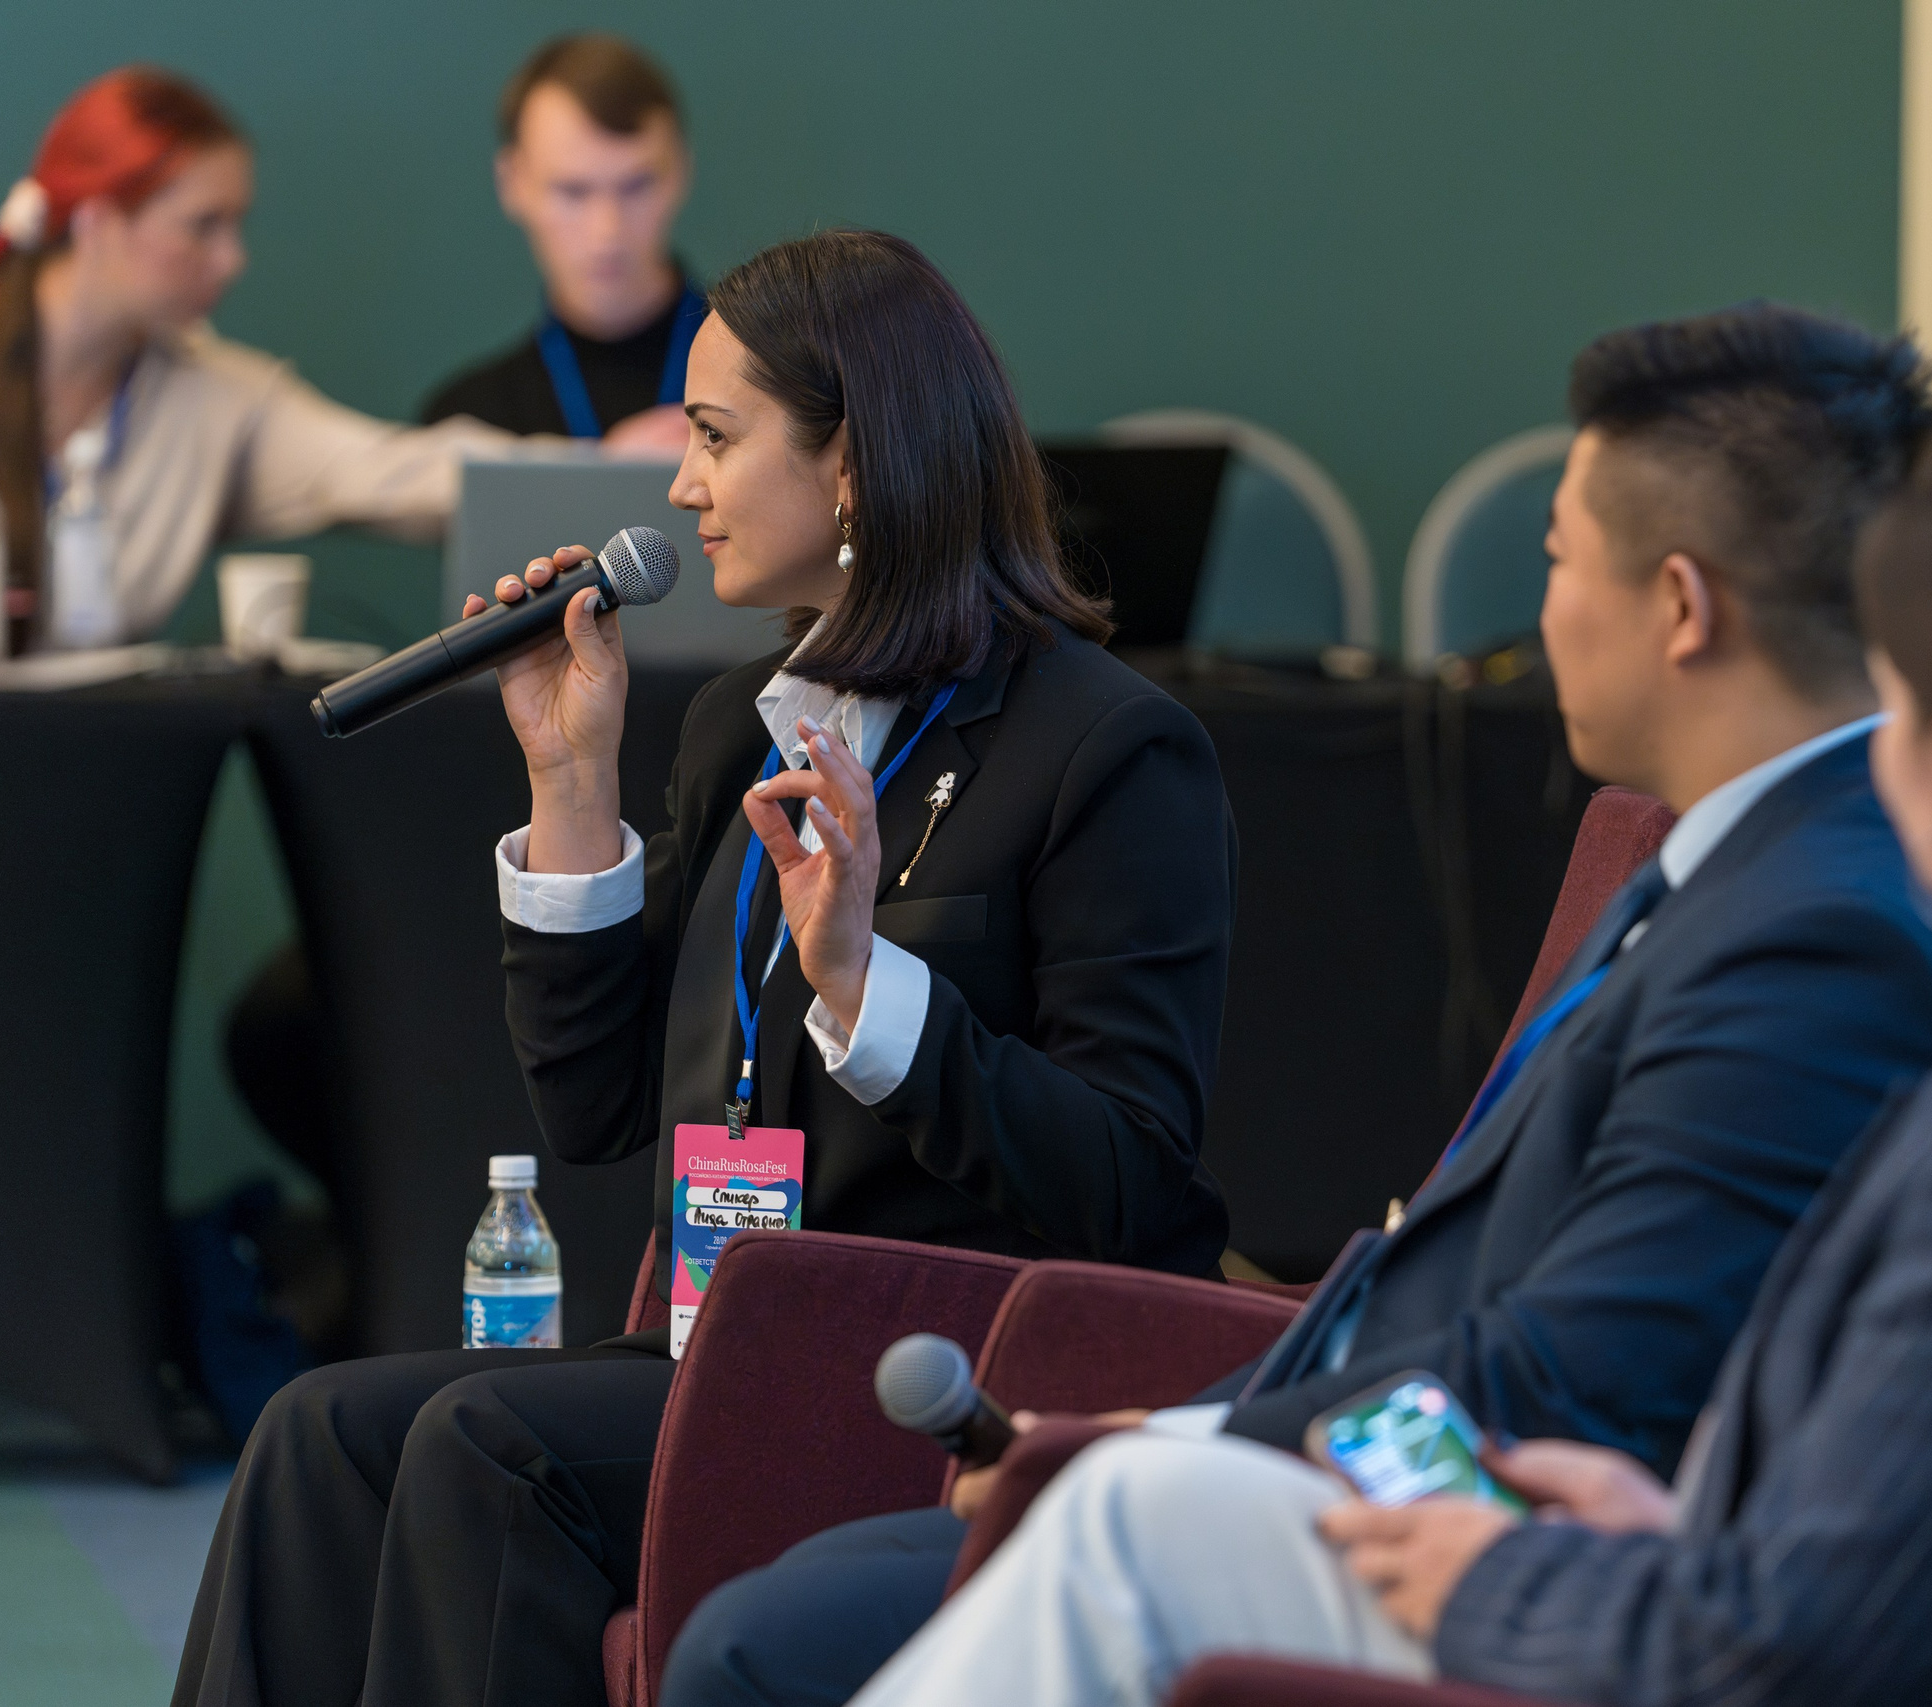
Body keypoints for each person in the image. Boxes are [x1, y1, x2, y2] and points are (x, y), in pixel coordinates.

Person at [846, 420, 1932, 1707]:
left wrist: (1513, 1579)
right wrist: (1685, 1531)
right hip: (1805, 1599)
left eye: (1896, 711)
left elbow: (1791, 1658)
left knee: (1128, 1530)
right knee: (1149, 1519)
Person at [658, 307, 1932, 1706]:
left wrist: (1173, 1447)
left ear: (1682, 605)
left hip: (1514, 1552)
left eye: (1557, 561)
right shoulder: (1750, 853)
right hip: (1348, 1439)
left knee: (780, 1642)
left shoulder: (1825, 931)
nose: (1542, 610)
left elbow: (1577, 1370)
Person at [172, 228, 1238, 1707]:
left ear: (855, 465)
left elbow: (1127, 1178)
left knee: (487, 1441)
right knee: (312, 1433)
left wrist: (866, 986)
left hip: (933, 1361)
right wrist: (572, 777)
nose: (678, 485)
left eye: (717, 439)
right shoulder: (746, 718)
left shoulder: (1106, 750)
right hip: (712, 1328)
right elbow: (595, 1105)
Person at [0, 66, 519, 662]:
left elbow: (402, 474)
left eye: (236, 225)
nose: (231, 260)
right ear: (98, 222)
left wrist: (605, 469)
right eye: (202, 226)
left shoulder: (213, 400)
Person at [420, 34, 698, 453]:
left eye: (636, 185)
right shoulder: (467, 425)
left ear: (679, 172)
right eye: (572, 191)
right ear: (512, 183)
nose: (607, 230)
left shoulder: (780, 386)